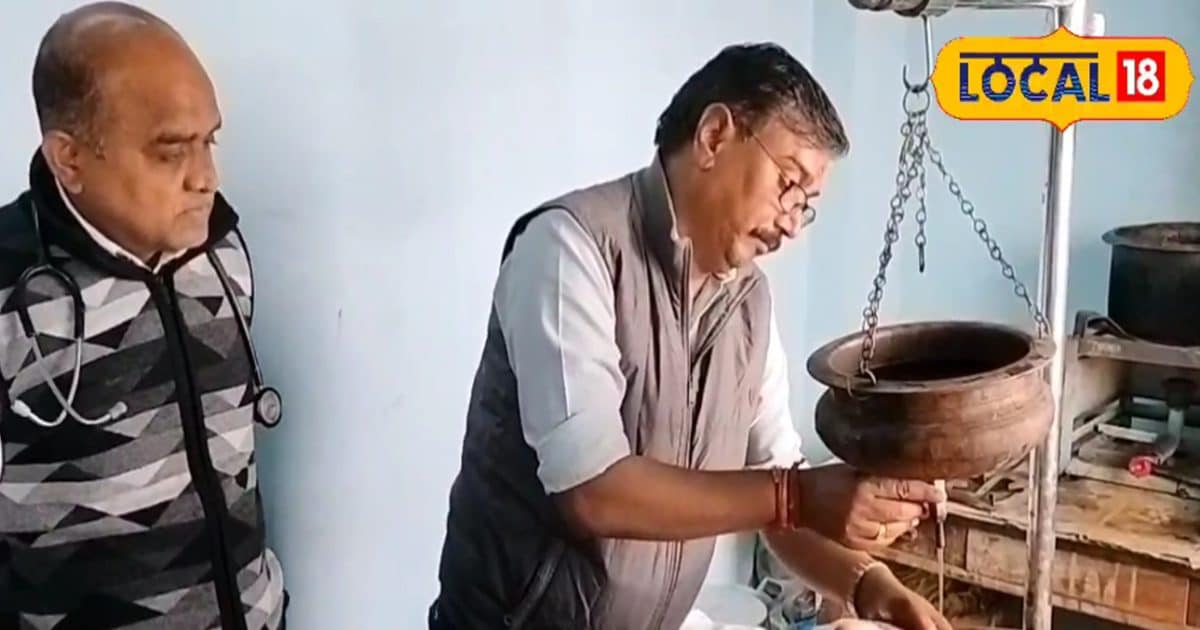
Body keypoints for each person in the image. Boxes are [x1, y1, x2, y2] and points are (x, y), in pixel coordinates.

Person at [431, 43, 951, 630]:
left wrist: (871, 586)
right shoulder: (569, 249)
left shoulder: (749, 304)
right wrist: (797, 495)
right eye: (788, 183)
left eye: (806, 206)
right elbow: (592, 490)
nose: (791, 223)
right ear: (713, 137)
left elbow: (780, 490)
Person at [0, 3, 286, 629]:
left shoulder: (221, 255)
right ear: (69, 159)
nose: (206, 178)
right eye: (170, 152)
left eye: (209, 141)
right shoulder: (10, 294)